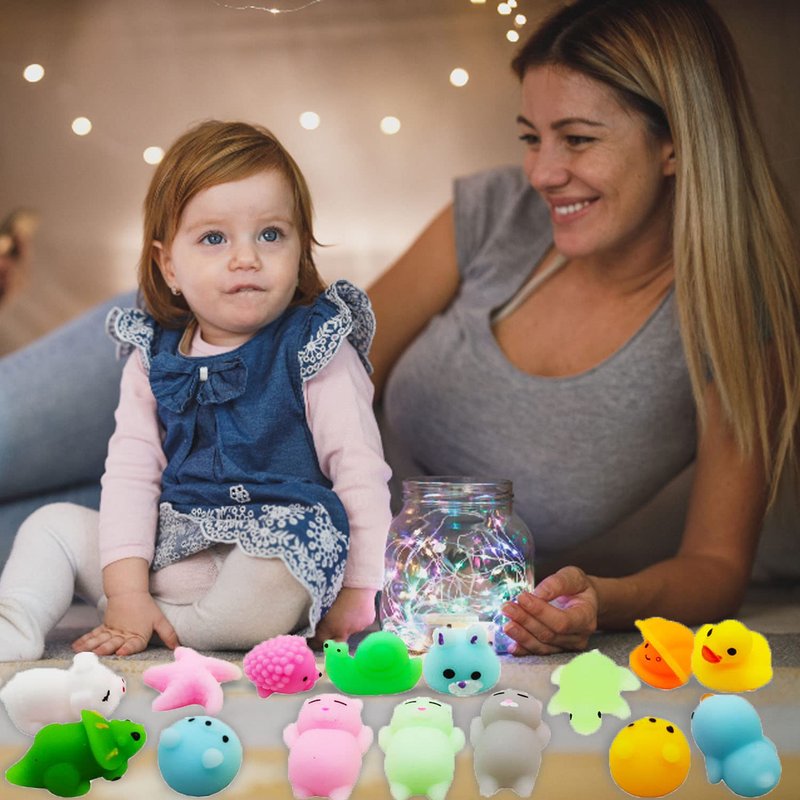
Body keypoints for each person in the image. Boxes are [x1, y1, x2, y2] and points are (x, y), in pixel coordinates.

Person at [368, 0, 799, 655]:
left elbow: (716, 566)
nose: (542, 173)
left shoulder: (735, 317)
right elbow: (313, 375)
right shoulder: (492, 214)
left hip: (452, 633)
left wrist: (601, 600)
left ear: (675, 142)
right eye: (532, 137)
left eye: (577, 139)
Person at [0, 120, 392, 661]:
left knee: (290, 549)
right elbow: (133, 473)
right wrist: (126, 592)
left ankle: (180, 628)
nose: (246, 257)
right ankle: (16, 624)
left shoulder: (316, 345)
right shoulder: (152, 354)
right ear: (169, 266)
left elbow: (360, 469)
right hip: (171, 553)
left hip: (266, 560)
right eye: (214, 238)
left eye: (271, 235)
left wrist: (359, 591)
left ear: (301, 249)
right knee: (51, 525)